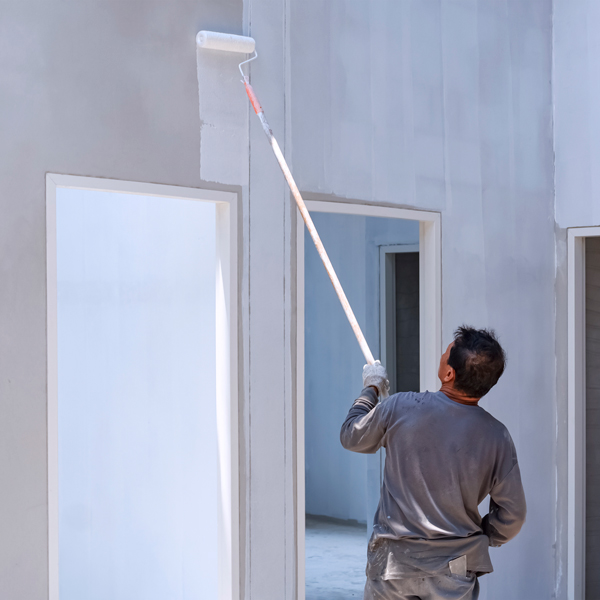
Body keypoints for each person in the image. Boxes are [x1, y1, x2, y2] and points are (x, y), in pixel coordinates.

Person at [340, 326, 526, 600]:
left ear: (449, 373)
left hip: (393, 566)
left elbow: (351, 435)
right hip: (455, 568)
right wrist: (479, 535)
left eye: (446, 352)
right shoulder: (497, 436)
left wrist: (371, 388)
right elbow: (513, 516)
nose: (442, 355)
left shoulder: (401, 407)